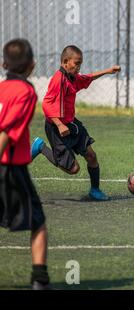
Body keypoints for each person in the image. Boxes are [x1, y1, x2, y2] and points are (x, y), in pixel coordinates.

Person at [31, 45, 121, 201]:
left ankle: (95, 190)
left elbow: (87, 78)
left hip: (71, 124)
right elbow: (46, 104)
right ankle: (41, 147)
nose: (79, 67)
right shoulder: (58, 80)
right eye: (77, 63)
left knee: (91, 155)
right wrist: (59, 124)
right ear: (66, 62)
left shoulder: (72, 77)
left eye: (80, 64)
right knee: (73, 169)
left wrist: (107, 71)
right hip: (56, 127)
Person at [0, 39, 51, 289]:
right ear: (32, 65)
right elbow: (6, 132)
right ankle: (39, 280)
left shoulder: (1, 89)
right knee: (38, 222)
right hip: (9, 167)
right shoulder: (26, 92)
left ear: (3, 64)